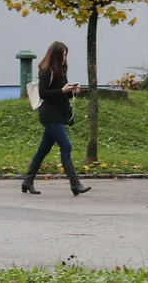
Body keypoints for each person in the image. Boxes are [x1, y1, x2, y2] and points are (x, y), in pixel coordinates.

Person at [21, 41, 91, 196]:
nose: (65, 58)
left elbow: (62, 92)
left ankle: (27, 181)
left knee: (43, 150)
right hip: (49, 115)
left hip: (59, 115)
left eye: (66, 55)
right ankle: (75, 184)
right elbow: (44, 93)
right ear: (56, 55)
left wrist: (72, 90)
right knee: (66, 146)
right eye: (63, 55)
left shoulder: (61, 70)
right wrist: (62, 90)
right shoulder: (46, 70)